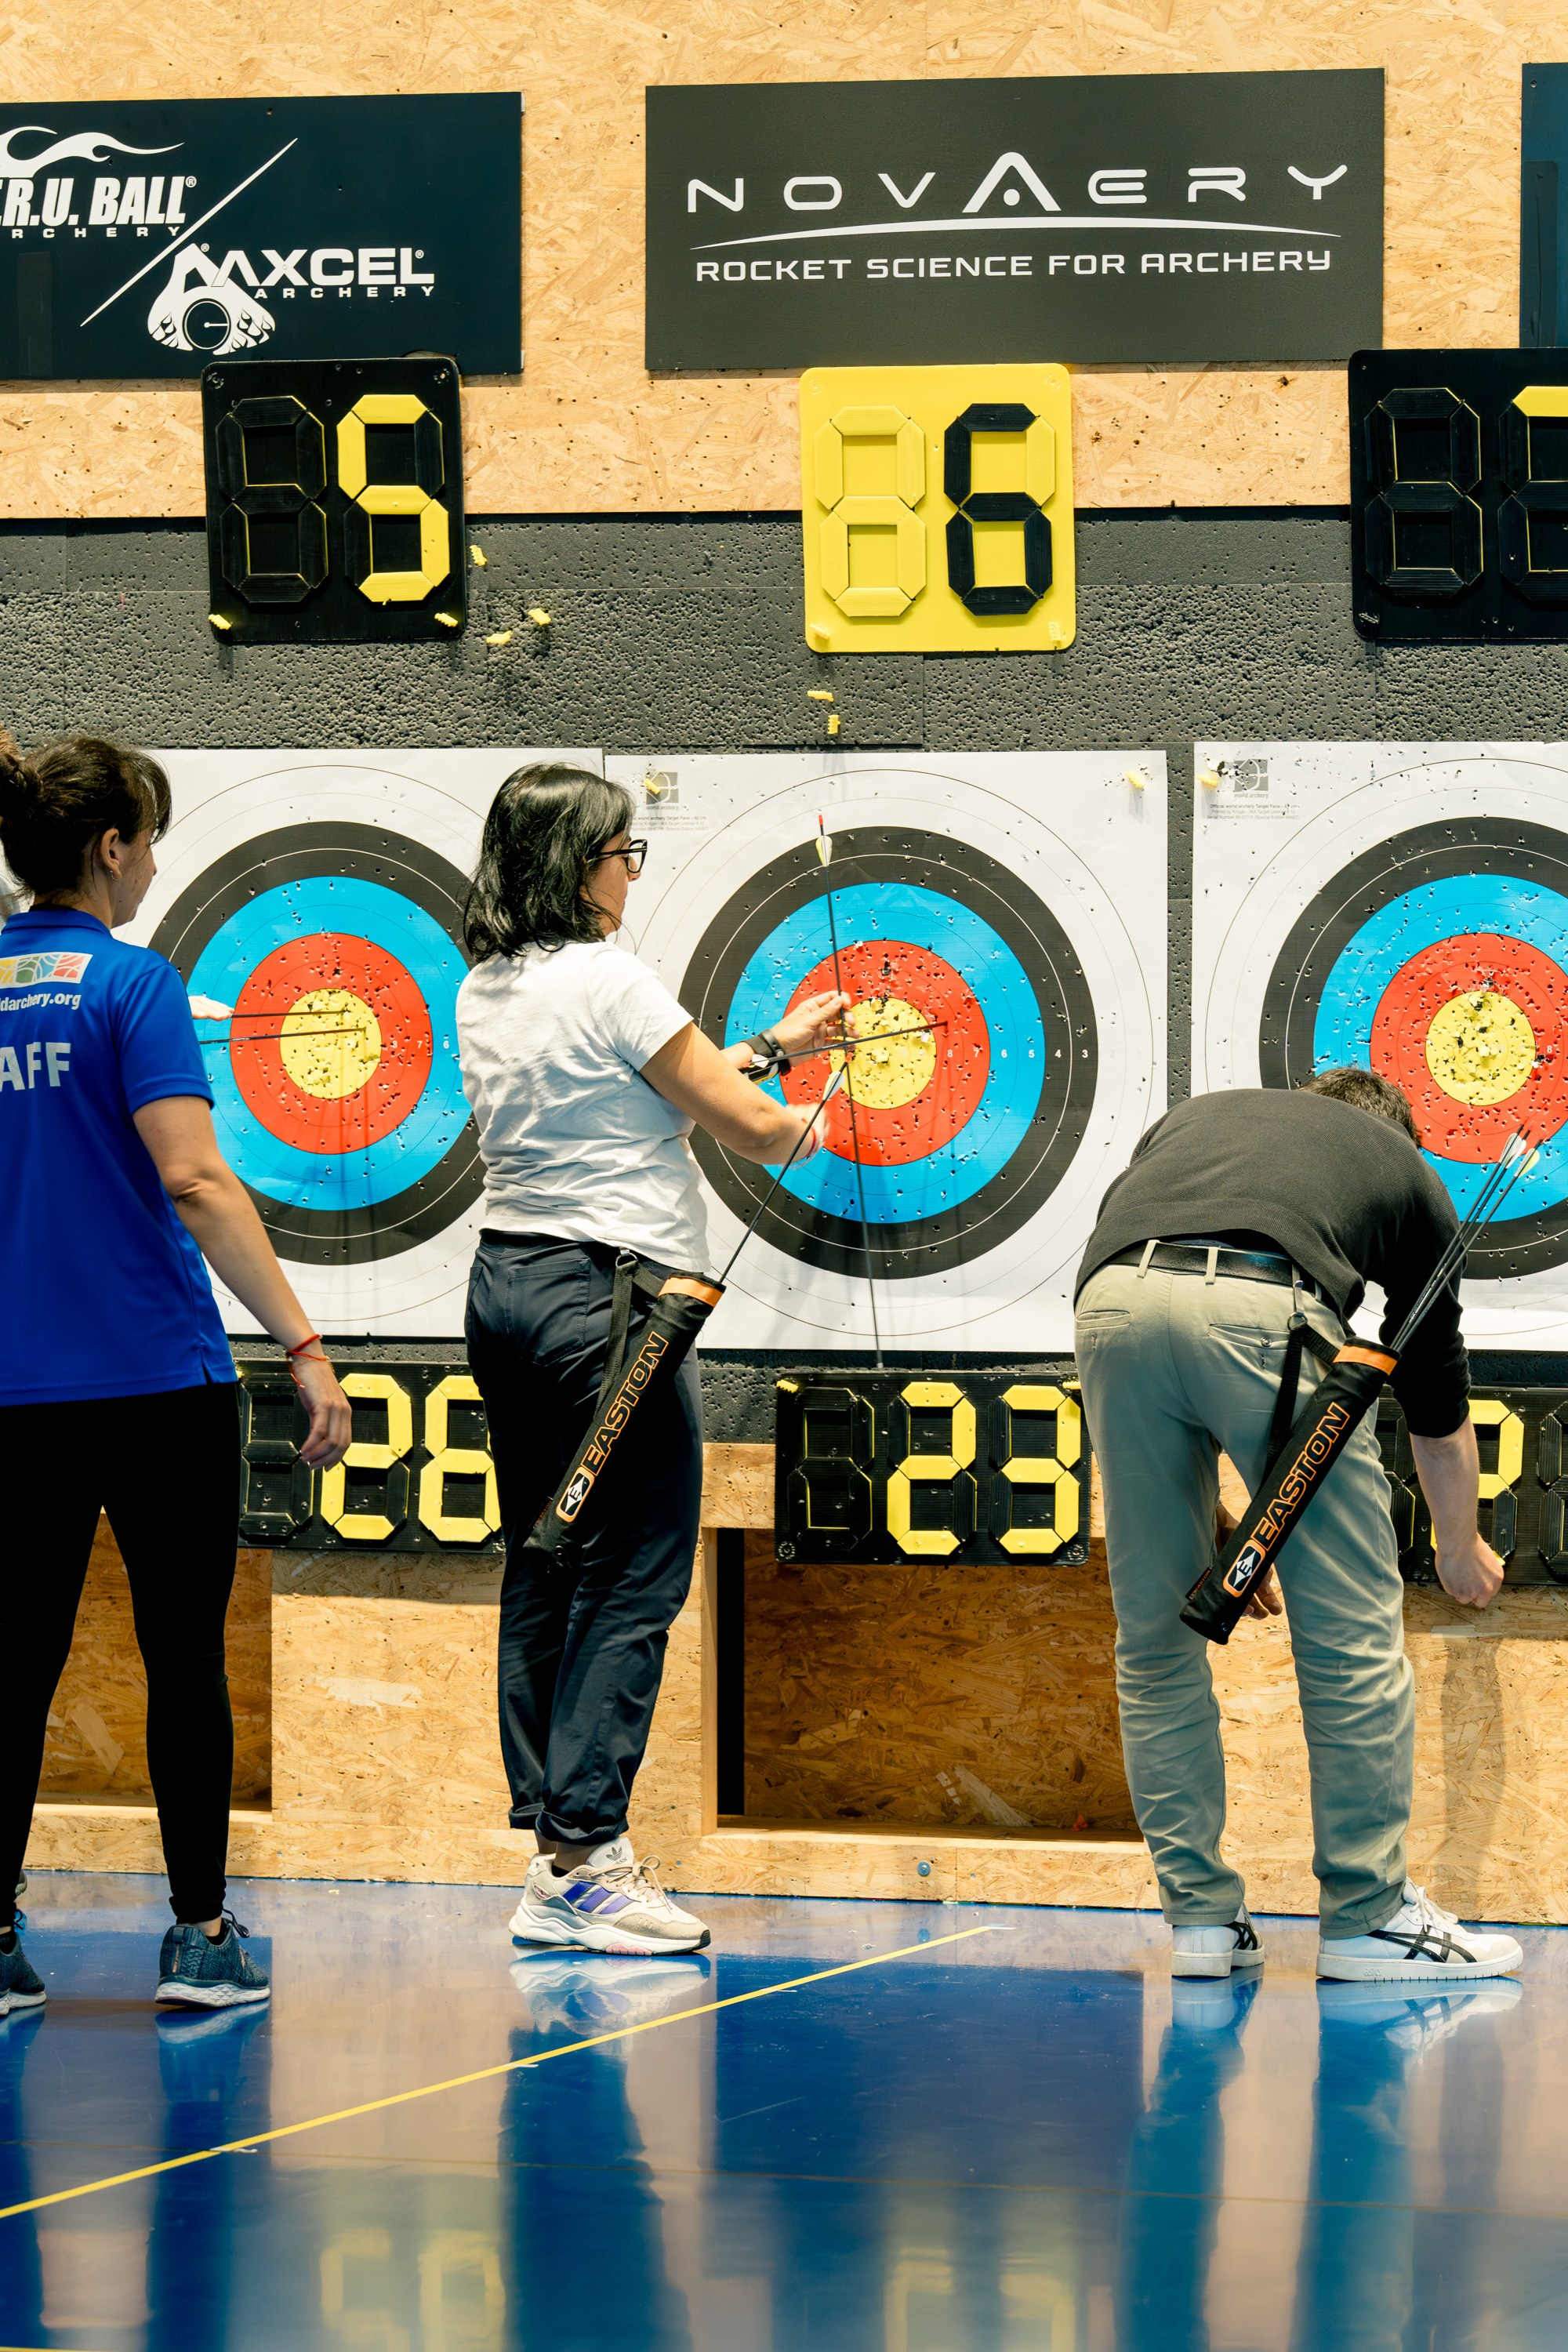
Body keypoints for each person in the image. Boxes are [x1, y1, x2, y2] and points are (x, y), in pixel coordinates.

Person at [458, 764, 846, 1955]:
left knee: (547, 1555)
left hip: (509, 1292)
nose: (633, 874)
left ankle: (552, 1848)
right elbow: (757, 1129)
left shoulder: (487, 986)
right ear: (579, 863)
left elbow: (635, 1101)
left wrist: (773, 1042)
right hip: (610, 1310)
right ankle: (586, 1858)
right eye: (625, 854)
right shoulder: (612, 978)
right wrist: (819, 1098)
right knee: (632, 1569)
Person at [0, 734, 351, 2016]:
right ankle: (199, 1937)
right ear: (109, 849)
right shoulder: (133, 985)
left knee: (12, 1665)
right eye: (146, 838)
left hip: (11, 1394)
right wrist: (306, 1346)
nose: (152, 861)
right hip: (154, 1383)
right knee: (180, 1657)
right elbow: (196, 1179)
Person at [1073, 1068, 1523, 1986]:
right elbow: (1433, 1399)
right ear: (1395, 1134)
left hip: (1110, 1309)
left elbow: (1168, 1308)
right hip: (1263, 1309)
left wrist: (1224, 1518)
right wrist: (1457, 1547)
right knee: (1348, 1641)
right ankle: (1367, 1920)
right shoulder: (1404, 1169)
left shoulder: (1195, 1122)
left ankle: (1200, 1924)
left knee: (1154, 1644)